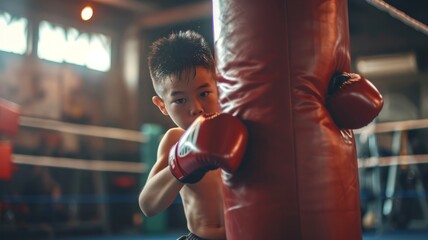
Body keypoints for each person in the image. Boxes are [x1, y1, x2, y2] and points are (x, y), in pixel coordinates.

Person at [138, 30, 247, 240]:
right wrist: (181, 163)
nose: (196, 108)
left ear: (219, 86)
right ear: (162, 106)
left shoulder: (241, 127)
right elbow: (148, 206)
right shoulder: (174, 140)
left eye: (204, 93)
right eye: (180, 100)